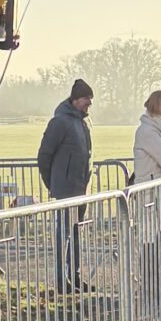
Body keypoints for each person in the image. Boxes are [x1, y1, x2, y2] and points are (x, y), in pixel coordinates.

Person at [37, 75, 94, 291]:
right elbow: (44, 155)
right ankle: (62, 280)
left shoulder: (82, 123)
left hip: (80, 188)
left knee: (76, 234)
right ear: (76, 99)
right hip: (66, 189)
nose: (89, 103)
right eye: (86, 99)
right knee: (64, 235)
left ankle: (75, 276)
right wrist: (53, 183)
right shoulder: (60, 122)